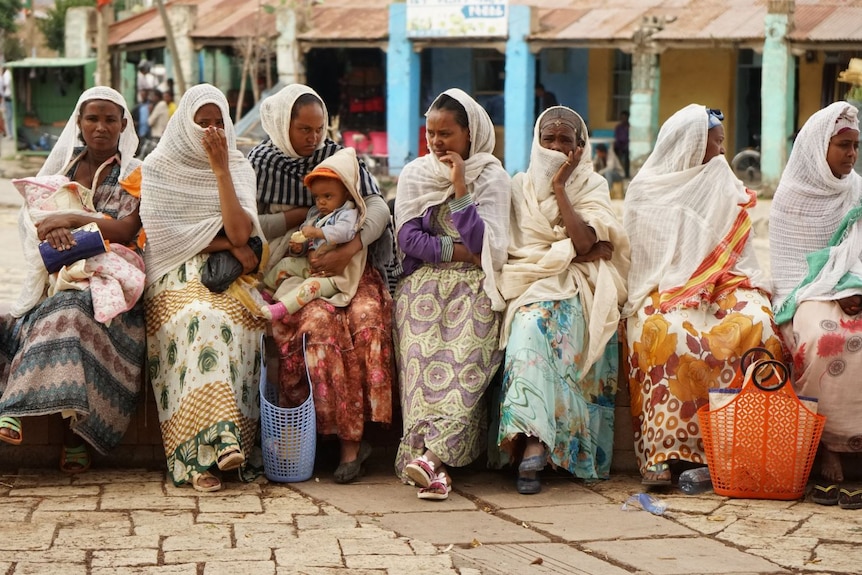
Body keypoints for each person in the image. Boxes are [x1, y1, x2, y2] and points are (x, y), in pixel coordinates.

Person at [622, 104, 784, 486]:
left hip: (724, 283)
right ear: (691, 145)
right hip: (662, 287)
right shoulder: (646, 189)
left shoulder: (723, 183)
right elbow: (647, 262)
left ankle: (747, 450)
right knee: (663, 331)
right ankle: (661, 452)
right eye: (716, 143)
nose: (723, 151)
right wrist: (689, 282)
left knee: (759, 324)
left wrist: (712, 282)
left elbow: (741, 256)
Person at [248, 84, 394, 484]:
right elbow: (249, 224)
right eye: (304, 130)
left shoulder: (338, 157)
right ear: (282, 126)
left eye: (319, 129)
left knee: (366, 318)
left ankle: (354, 445)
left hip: (348, 265)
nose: (314, 139)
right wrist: (303, 219)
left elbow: (377, 204)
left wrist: (349, 249)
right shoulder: (258, 163)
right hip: (297, 269)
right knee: (317, 326)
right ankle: (315, 437)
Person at [0, 86, 145, 473]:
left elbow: (128, 227)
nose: (101, 127)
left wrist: (75, 222)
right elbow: (39, 221)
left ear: (124, 125)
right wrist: (55, 233)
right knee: (40, 313)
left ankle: (51, 425)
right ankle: (25, 417)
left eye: (110, 119)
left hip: (114, 285)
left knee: (75, 312)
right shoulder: (59, 174)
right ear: (78, 124)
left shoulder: (134, 174)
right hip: (60, 276)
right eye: (92, 119)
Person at [494, 106, 630, 494]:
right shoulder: (517, 187)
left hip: (578, 284)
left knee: (552, 324)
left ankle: (539, 446)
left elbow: (588, 242)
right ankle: (526, 437)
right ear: (536, 141)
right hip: (530, 281)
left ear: (580, 147)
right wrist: (570, 250)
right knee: (528, 324)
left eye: (565, 141)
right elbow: (519, 249)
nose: (556, 147)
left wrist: (560, 189)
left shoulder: (591, 185)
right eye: (548, 139)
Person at [140, 84, 267, 493]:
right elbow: (163, 237)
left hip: (227, 276)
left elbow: (240, 229)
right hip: (173, 274)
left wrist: (220, 170)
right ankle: (194, 457)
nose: (212, 131)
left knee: (237, 320)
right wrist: (231, 243)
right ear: (184, 124)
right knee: (196, 318)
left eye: (219, 123)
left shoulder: (237, 166)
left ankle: (229, 442)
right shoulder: (159, 167)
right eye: (203, 122)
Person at [393, 88, 510, 500]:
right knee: (423, 354)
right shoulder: (415, 174)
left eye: (447, 134)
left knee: (466, 360)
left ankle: (431, 459)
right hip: (423, 283)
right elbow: (408, 238)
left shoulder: (492, 177)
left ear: (469, 134)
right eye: (431, 133)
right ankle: (432, 464)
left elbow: (487, 247)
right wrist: (457, 251)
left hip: (479, 287)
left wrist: (460, 187)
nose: (437, 143)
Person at [769, 102, 862, 509]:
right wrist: (833, 290)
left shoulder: (856, 189)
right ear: (817, 147)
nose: (852, 155)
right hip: (805, 294)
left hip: (854, 287)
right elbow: (792, 271)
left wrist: (853, 285)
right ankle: (829, 448)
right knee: (826, 336)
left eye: (856, 146)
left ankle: (854, 447)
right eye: (843, 145)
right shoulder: (791, 197)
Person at [261, 147, 367, 322]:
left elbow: (345, 233)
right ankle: (266, 293)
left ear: (347, 192)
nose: (322, 202)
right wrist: (298, 247)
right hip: (312, 267)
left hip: (335, 277)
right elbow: (308, 240)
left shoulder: (348, 213)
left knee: (311, 287)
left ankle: (282, 308)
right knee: (285, 263)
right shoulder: (316, 216)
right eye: (317, 198)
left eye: (328, 196)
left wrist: (317, 232)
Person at [613, 110, 630, 177]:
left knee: (627, 153)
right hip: (619, 146)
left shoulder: (629, 127)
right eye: (622, 117)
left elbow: (629, 139)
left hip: (626, 146)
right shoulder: (618, 127)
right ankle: (617, 172)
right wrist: (618, 147)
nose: (623, 119)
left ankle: (626, 174)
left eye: (625, 117)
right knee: (613, 153)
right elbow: (616, 138)